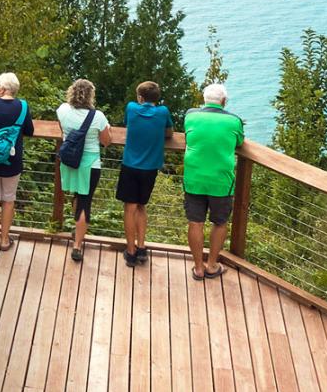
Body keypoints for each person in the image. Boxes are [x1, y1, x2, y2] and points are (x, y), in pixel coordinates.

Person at [182, 82, 244, 280]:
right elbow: (240, 142)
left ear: (204, 99)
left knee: (195, 222)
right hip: (221, 181)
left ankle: (198, 268)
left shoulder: (190, 116)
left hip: (194, 178)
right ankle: (211, 265)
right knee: (220, 222)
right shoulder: (235, 121)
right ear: (224, 101)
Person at [56, 78, 113, 262]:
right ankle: (77, 245)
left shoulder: (62, 110)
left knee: (76, 196)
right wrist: (108, 129)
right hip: (90, 164)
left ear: (71, 92)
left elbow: (63, 132)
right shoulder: (98, 116)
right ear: (91, 95)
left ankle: (76, 231)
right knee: (84, 202)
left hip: (69, 161)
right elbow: (106, 141)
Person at [117, 81, 174, 267]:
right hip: (150, 167)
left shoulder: (132, 108)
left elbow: (126, 123)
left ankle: (131, 251)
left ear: (140, 97)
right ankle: (142, 248)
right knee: (141, 206)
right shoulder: (163, 112)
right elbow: (169, 132)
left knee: (129, 208)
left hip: (130, 165)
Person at [0, 72, 33, 251]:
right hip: (12, 159)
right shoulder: (23, 106)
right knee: (9, 200)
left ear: (1, 88)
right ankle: (4, 239)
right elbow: (29, 131)